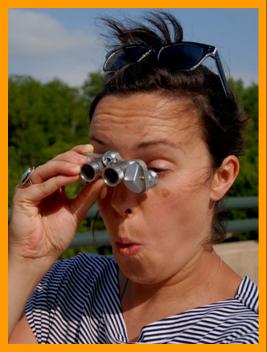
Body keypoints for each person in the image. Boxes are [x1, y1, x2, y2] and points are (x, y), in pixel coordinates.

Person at [9, 11, 258, 344]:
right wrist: (26, 258)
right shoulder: (65, 286)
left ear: (221, 177)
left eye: (152, 169)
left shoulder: (241, 334)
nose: (122, 198)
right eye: (105, 165)